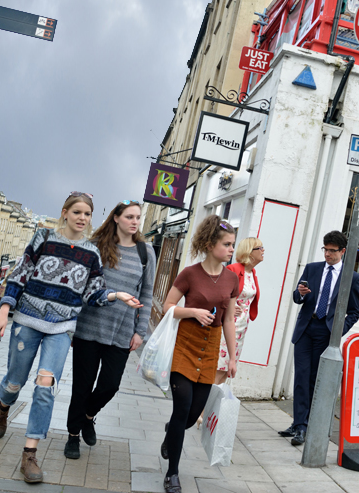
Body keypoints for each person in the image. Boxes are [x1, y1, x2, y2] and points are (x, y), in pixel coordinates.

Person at [0, 193, 142, 483]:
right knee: (15, 381)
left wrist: (116, 295)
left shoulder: (92, 254)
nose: (82, 218)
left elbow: (93, 293)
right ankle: (3, 406)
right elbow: (20, 273)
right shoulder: (43, 238)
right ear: (65, 213)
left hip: (62, 327)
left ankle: (29, 454)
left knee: (45, 385)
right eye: (77, 212)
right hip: (27, 320)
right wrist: (4, 311)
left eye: (87, 214)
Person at [64, 200, 156, 459]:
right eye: (129, 216)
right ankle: (72, 436)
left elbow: (146, 294)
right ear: (116, 218)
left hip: (122, 331)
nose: (135, 222)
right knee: (81, 386)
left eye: (138, 217)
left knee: (109, 385)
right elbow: (81, 287)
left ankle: (88, 416)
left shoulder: (145, 252)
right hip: (89, 327)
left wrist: (140, 331)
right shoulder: (96, 247)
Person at [160, 215, 239, 493]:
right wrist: (192, 311)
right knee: (182, 408)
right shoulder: (190, 274)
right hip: (186, 344)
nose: (231, 249)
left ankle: (172, 430)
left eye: (233, 244)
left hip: (210, 349)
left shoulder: (232, 279)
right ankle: (172, 474)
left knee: (193, 416)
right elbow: (168, 306)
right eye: (227, 244)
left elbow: (228, 319)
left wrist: (232, 357)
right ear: (209, 244)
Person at [278, 230, 359, 446]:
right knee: (301, 377)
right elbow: (297, 297)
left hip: (326, 333)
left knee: (315, 379)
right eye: (325, 249)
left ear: (342, 251)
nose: (328, 254)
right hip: (306, 329)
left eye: (332, 251)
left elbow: (354, 312)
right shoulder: (313, 268)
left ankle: (306, 425)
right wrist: (300, 293)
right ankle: (299, 425)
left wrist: (337, 331)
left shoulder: (350, 277)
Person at [215, 237, 263, 384]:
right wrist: (227, 306)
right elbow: (217, 292)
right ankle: (204, 406)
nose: (263, 251)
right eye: (260, 248)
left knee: (226, 373)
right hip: (228, 326)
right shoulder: (233, 269)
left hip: (241, 329)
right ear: (250, 251)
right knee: (218, 371)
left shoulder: (252, 272)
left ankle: (213, 406)